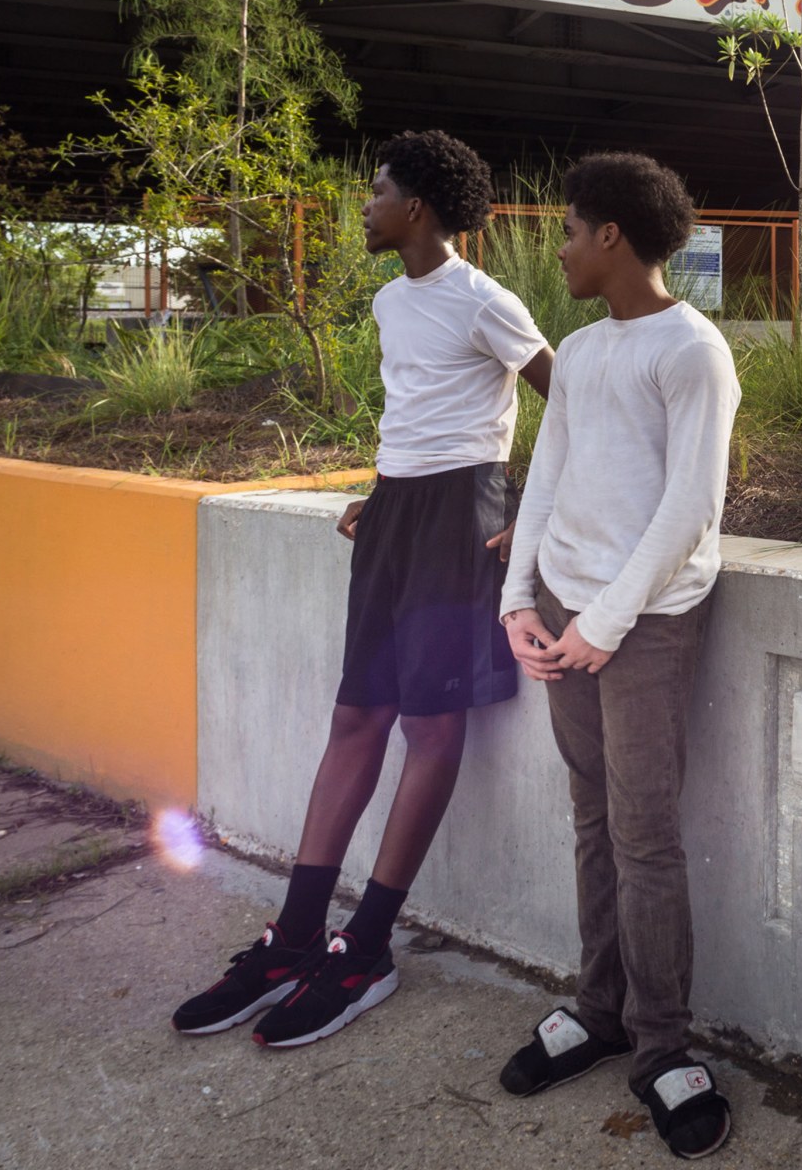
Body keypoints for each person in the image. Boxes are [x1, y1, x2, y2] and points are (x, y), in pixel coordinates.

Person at [173, 131, 552, 1046]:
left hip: (462, 518)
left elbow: (568, 395)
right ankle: (295, 936)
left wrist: (530, 510)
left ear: (416, 207)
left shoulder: (485, 301)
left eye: (376, 191)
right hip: (394, 520)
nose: (365, 205)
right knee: (356, 718)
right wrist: (380, 491)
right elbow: (412, 410)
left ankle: (368, 947)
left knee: (429, 728)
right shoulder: (391, 301)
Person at [490, 152, 740, 1160]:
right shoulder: (585, 356)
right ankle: (596, 1008)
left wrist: (608, 622)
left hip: (644, 626)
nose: (556, 248)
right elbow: (545, 476)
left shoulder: (693, 350)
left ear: (612, 238)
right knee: (592, 818)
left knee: (644, 836)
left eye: (566, 230)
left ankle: (662, 1048)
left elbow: (693, 508)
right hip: (562, 610)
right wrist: (521, 601)